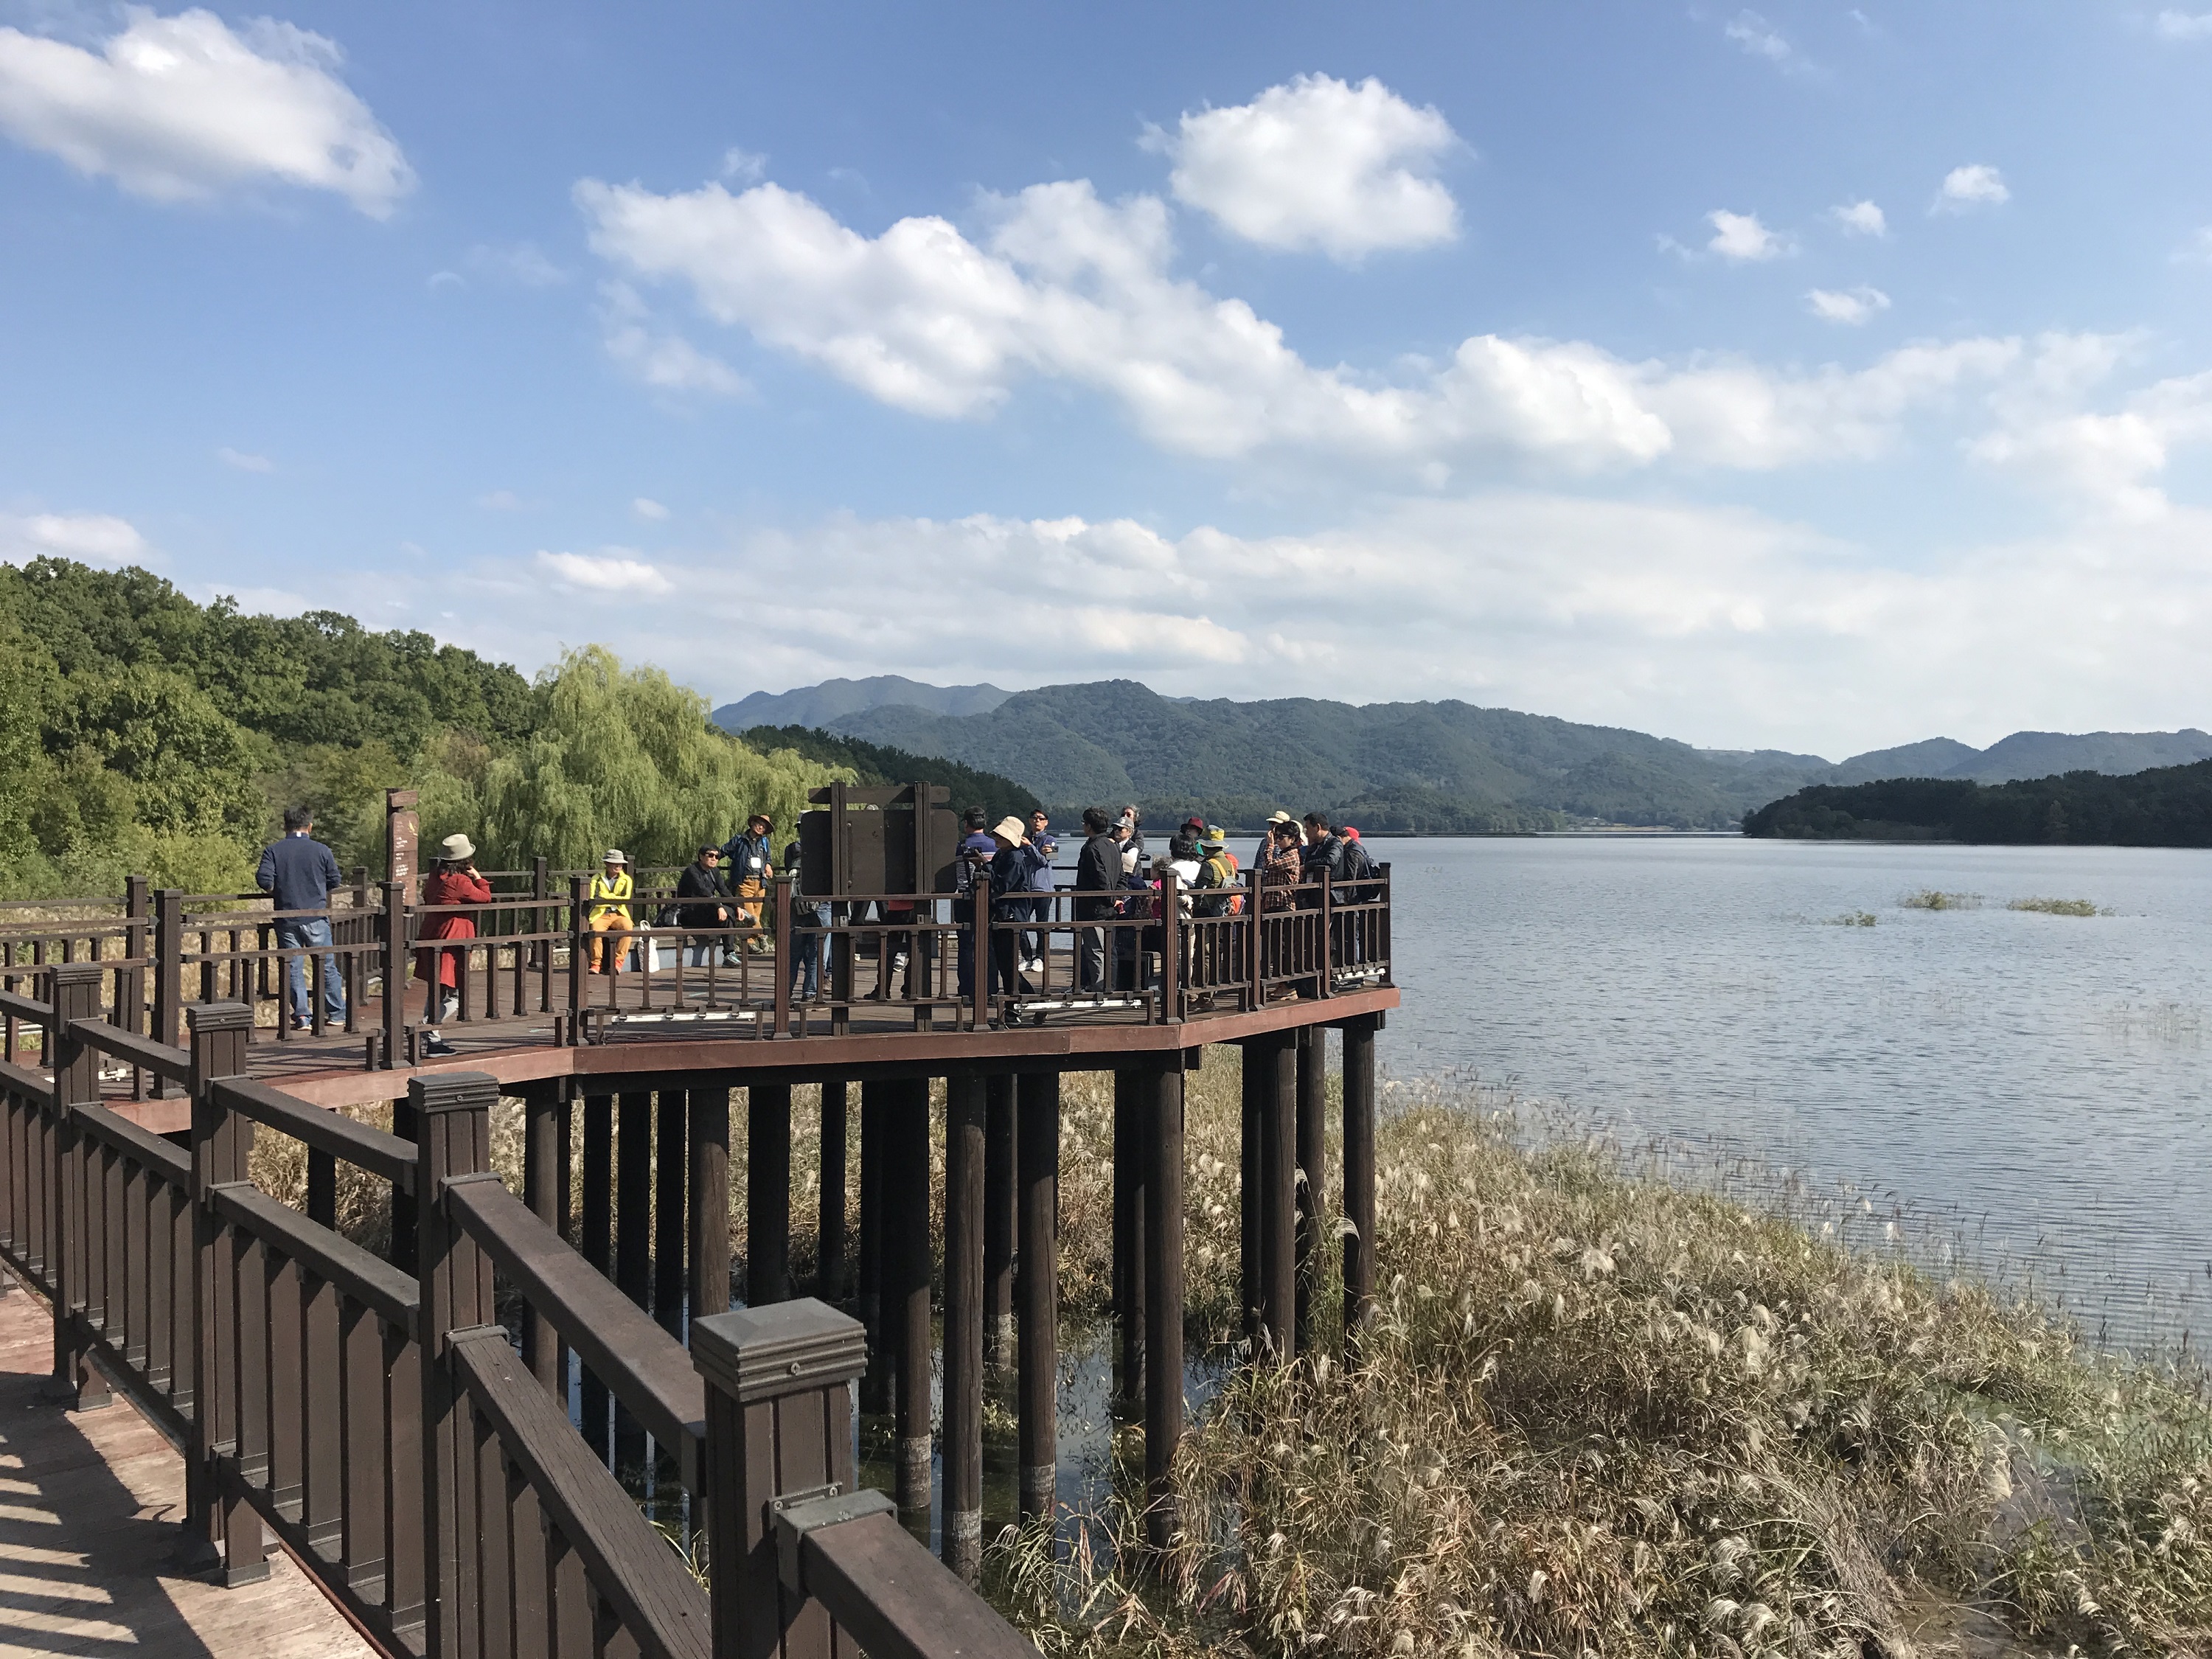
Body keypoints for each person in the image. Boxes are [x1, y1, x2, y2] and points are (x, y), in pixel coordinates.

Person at [256, 805, 346, 1030]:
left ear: (285, 826)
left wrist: (280, 891)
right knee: (326, 966)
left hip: (287, 918)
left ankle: (303, 1016)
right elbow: (335, 880)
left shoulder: (274, 851)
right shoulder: (322, 850)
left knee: (293, 967)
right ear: (310, 826)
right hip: (316, 916)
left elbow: (264, 880)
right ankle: (335, 1013)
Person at [417, 834, 491, 1054]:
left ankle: (433, 1040)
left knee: (437, 990)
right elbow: (485, 897)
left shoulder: (434, 877)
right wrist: (479, 877)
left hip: (433, 936)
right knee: (456, 996)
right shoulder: (460, 881)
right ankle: (428, 1027)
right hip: (452, 941)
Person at [1074, 805, 1120, 993]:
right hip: (1110, 907)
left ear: (1089, 826)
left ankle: (1101, 988)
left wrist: (1110, 898)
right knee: (1109, 949)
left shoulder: (1092, 848)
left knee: (1095, 950)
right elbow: (1122, 875)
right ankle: (1110, 985)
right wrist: (1118, 897)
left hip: (1094, 907)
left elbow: (1100, 878)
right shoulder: (1113, 846)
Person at [721, 814, 776, 951]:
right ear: (752, 823)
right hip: (745, 882)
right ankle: (762, 935)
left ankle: (749, 943)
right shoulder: (739, 840)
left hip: (760, 883)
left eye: (764, 827)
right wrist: (710, 859)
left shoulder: (764, 842)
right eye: (759, 824)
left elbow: (767, 858)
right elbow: (723, 851)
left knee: (756, 915)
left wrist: (768, 865)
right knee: (750, 916)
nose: (761, 827)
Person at [673, 845, 732, 969]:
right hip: (690, 912)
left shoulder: (714, 871)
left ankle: (729, 954)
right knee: (725, 912)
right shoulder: (692, 871)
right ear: (701, 856)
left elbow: (724, 890)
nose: (714, 859)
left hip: (706, 910)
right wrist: (719, 906)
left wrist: (737, 906)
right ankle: (729, 954)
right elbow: (703, 891)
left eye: (717, 857)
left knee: (729, 914)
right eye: (710, 855)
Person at [784, 835, 827, 1001]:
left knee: (793, 955)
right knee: (816, 954)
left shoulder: (794, 863)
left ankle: (785, 993)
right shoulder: (821, 861)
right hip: (819, 910)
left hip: (796, 912)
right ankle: (810, 993)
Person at [1020, 810, 1056, 974]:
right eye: (1034, 818)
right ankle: (1027, 956)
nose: (1037, 821)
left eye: (1041, 819)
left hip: (1044, 890)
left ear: (1046, 822)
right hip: (1025, 889)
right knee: (1021, 924)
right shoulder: (1022, 840)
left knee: (1042, 926)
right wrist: (1035, 851)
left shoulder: (1051, 840)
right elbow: (1020, 861)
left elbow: (1045, 861)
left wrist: (1030, 847)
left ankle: (1040, 957)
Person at [587, 849, 635, 973]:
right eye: (615, 863)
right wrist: (614, 899)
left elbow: (625, 899)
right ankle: (596, 964)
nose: (619, 866)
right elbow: (595, 897)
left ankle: (618, 963)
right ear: (607, 864)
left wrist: (606, 898)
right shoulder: (596, 879)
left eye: (620, 864)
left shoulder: (626, 879)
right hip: (601, 914)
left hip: (619, 914)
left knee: (628, 927)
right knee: (595, 931)